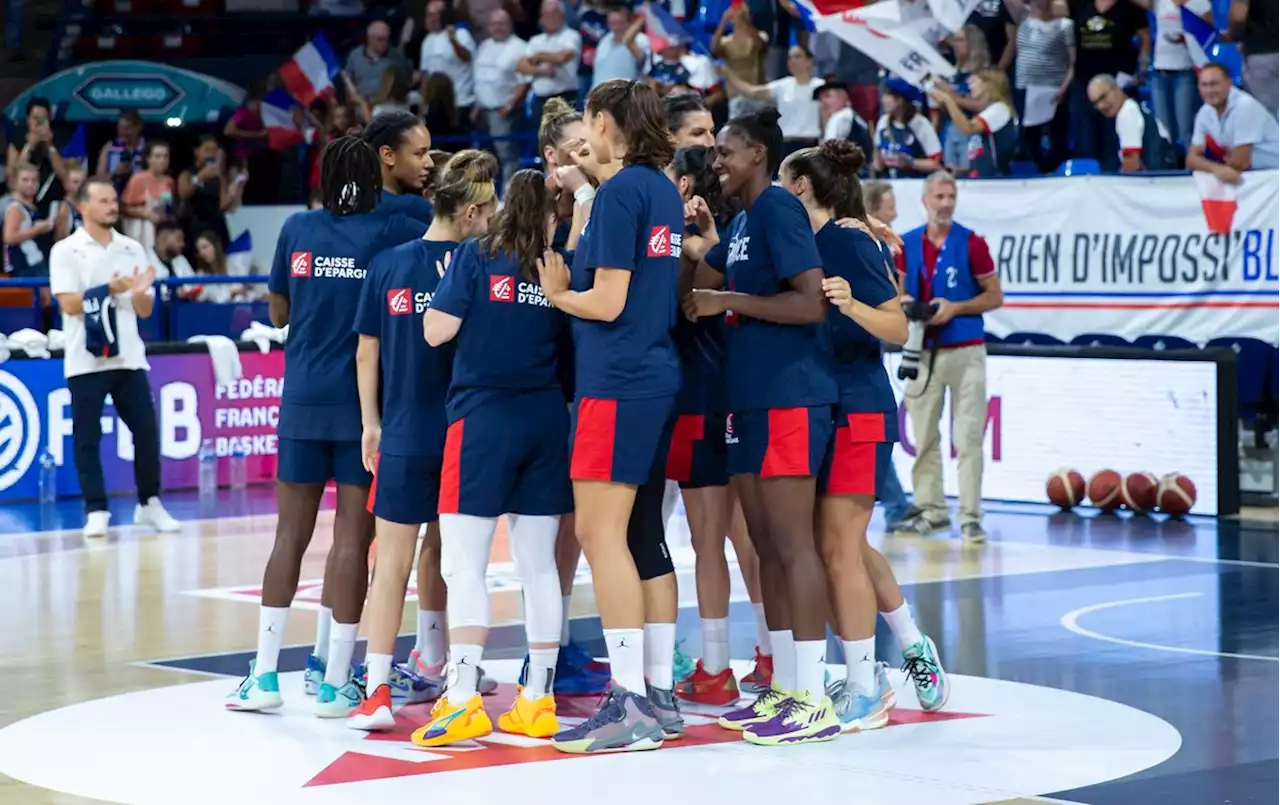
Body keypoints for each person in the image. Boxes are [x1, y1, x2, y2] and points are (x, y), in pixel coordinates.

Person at [226, 136, 427, 716]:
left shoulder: (296, 229)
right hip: (365, 407)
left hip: (302, 400)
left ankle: (264, 677)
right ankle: (336, 680)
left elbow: (279, 312)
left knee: (289, 536)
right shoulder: (392, 232)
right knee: (351, 540)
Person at [683, 108, 840, 746]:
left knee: (792, 544)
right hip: (746, 403)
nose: (715, 161)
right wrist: (694, 243)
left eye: (725, 152)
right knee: (766, 547)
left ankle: (814, 694)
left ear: (757, 155)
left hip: (790, 400)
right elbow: (703, 280)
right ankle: (783, 686)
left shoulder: (778, 209)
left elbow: (809, 303)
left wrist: (730, 302)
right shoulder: (744, 221)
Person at [537, 78, 683, 754]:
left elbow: (610, 300)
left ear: (600, 121)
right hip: (649, 374)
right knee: (633, 535)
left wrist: (560, 294)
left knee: (602, 536)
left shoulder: (626, 192)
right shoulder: (656, 186)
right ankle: (653, 694)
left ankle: (627, 702)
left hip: (617, 378)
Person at [410, 167, 573, 745]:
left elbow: (435, 332)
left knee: (463, 563)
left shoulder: (477, 256)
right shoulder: (558, 268)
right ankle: (538, 700)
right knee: (539, 567)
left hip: (483, 421)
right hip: (548, 421)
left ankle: (460, 700)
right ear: (553, 215)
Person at [779, 141, 936, 731]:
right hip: (822, 408)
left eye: (781, 180)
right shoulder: (822, 239)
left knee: (840, 545)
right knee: (839, 543)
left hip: (859, 408)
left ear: (800, 188)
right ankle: (911, 640)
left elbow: (896, 324)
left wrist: (849, 305)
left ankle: (866, 685)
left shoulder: (847, 242)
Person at [347, 150, 499, 731]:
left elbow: (367, 350)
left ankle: (378, 689)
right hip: (464, 433)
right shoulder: (481, 263)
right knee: (452, 558)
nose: (490, 223)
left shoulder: (388, 264)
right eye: (486, 213)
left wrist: (371, 422)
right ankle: (445, 668)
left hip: (406, 433)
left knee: (391, 564)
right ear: (467, 212)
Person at [662, 137, 772, 705]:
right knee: (750, 538)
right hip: (740, 396)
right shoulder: (740, 236)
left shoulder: (696, 249)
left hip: (699, 397)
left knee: (707, 543)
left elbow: (676, 310)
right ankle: (774, 656)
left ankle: (713, 666)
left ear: (682, 186)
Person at [528, 97, 612, 696]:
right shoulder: (532, 208)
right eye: (577, 149)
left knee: (576, 527)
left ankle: (556, 641)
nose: (590, 155)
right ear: (553, 157)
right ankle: (545, 649)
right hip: (543, 384)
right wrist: (581, 199)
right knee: (549, 527)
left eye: (592, 145)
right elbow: (571, 269)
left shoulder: (602, 201)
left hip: (585, 378)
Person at [47, 176, 180, 538]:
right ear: (83, 206)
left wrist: (139, 292)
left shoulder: (132, 248)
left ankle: (149, 503)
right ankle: (96, 509)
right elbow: (69, 304)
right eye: (104, 201)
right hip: (86, 359)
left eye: (113, 201)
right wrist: (110, 289)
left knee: (147, 431)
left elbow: (144, 309)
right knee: (87, 437)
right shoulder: (66, 250)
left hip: (129, 357)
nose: (112, 207)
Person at [893, 172, 1003, 544]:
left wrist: (956, 307)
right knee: (923, 437)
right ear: (925, 200)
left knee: (968, 437)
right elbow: (895, 294)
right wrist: (906, 303)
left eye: (951, 196)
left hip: (966, 350)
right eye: (939, 196)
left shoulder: (972, 243)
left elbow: (995, 296)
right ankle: (932, 511)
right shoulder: (906, 243)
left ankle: (971, 516)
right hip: (921, 349)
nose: (945, 203)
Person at [1185, 62, 1280, 180]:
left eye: (1214, 84)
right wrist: (1217, 169)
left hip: (1274, 174)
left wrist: (1212, 166)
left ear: (1229, 83)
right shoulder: (1204, 112)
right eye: (1204, 85)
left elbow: (1240, 162)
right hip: (1255, 175)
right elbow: (1191, 160)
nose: (1209, 90)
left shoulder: (1245, 106)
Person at [930, 69, 1018, 177]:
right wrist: (963, 171)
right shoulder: (989, 111)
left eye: (974, 82)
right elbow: (980, 155)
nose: (970, 86)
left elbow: (967, 128)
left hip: (994, 181)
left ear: (988, 85)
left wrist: (948, 101)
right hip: (982, 178)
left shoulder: (1000, 109)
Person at [1087, 74, 1177, 172]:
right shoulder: (1133, 107)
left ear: (1117, 88)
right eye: (1096, 103)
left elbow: (1132, 164)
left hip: (1155, 181)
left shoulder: (1127, 113)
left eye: (1103, 97)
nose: (1101, 106)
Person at [362, 111, 436, 224]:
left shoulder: (343, 202)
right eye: (419, 153)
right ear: (388, 155)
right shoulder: (415, 209)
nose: (430, 163)